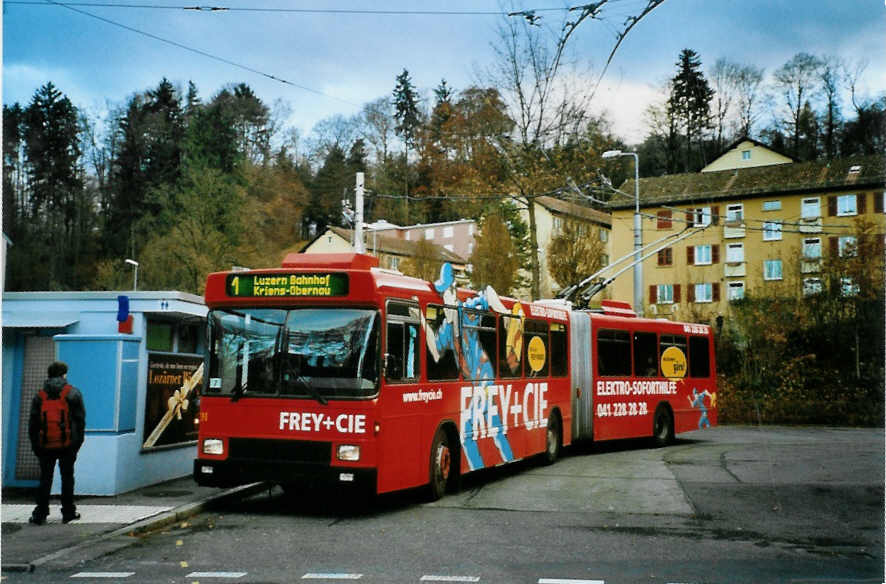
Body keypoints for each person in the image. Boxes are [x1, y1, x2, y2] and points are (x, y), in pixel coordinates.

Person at [28, 361, 86, 525]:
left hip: (44, 444)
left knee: (45, 478)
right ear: (64, 374)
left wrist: (36, 445)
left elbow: (33, 423)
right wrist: (77, 443)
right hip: (68, 444)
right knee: (67, 477)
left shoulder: (39, 396)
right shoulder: (73, 393)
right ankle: (68, 512)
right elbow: (80, 420)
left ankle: (40, 513)